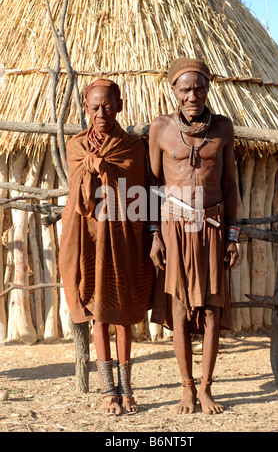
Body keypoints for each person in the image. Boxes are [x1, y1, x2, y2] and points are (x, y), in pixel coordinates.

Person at [148, 57, 239, 415]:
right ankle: (185, 388)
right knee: (180, 309)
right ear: (173, 90)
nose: (192, 96)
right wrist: (154, 233)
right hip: (175, 230)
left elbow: (231, 185)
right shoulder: (161, 128)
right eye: (185, 89)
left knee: (213, 308)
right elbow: (154, 184)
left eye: (199, 88)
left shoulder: (222, 128)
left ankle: (205, 389)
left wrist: (233, 235)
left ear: (208, 88)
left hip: (213, 228)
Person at [59, 78, 154, 415]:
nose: (102, 113)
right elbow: (76, 195)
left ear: (120, 106)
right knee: (98, 314)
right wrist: (93, 167)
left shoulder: (132, 147)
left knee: (123, 316)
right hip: (87, 239)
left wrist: (104, 170)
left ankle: (128, 390)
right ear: (85, 108)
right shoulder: (75, 147)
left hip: (123, 239)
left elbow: (139, 194)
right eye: (95, 107)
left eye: (108, 106)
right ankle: (108, 391)